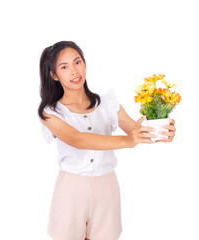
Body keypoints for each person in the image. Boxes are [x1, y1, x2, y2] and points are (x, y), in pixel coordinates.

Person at [38, 41, 176, 240]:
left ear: (85, 64)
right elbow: (77, 139)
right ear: (54, 75)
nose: (74, 71)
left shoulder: (107, 104)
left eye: (77, 62)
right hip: (72, 187)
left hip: (107, 185)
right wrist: (129, 141)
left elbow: (136, 131)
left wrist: (163, 131)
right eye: (64, 67)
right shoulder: (51, 112)